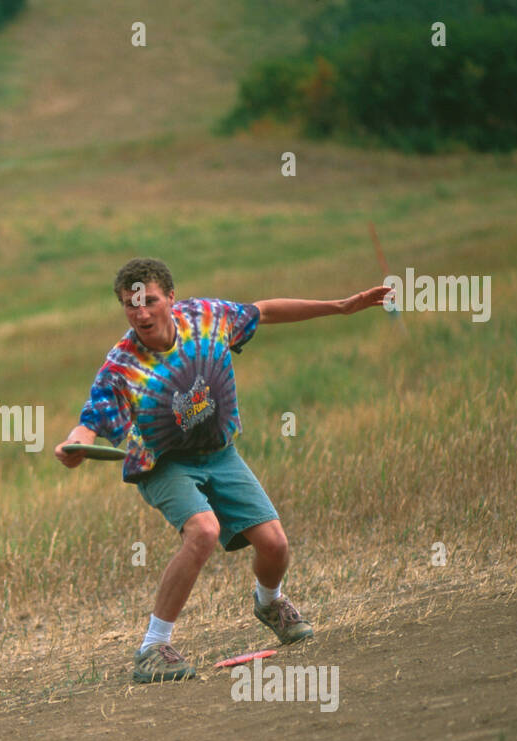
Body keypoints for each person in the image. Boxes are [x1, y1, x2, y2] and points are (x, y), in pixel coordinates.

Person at [55, 258, 393, 683]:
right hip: (163, 464)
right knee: (204, 531)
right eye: (130, 305)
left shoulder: (206, 318)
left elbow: (264, 311)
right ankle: (152, 648)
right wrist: (75, 446)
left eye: (150, 301)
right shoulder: (122, 365)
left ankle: (270, 602)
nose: (141, 313)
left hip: (219, 452)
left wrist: (340, 307)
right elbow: (89, 423)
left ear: (171, 298)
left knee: (274, 546)